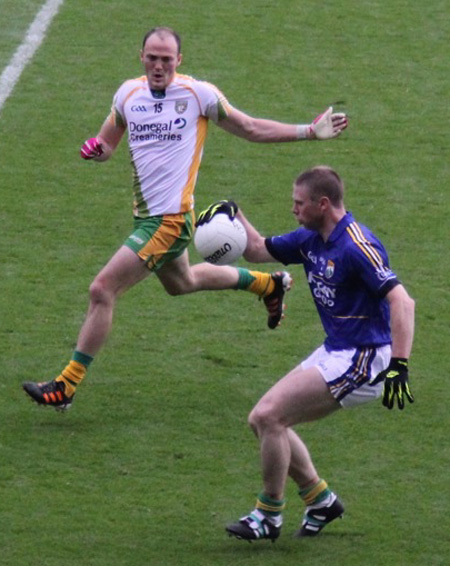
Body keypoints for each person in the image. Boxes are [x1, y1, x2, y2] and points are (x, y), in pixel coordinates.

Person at [22, 27, 348, 411]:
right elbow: (107, 141)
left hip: (170, 221)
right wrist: (98, 149)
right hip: (145, 217)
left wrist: (308, 132)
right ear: (140, 56)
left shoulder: (199, 95)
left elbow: (250, 128)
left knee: (102, 290)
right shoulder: (128, 94)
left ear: (180, 60)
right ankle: (267, 285)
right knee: (183, 282)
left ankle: (66, 385)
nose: (159, 65)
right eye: (152, 57)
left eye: (166, 59)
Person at [225, 166, 415, 542]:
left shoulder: (357, 245)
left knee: (269, 416)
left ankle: (268, 516)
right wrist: (233, 216)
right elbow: (259, 249)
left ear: (322, 204)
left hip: (364, 356)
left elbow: (402, 301)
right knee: (262, 421)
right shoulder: (311, 238)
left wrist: (399, 366)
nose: (293, 210)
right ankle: (320, 499)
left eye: (299, 203)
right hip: (337, 350)